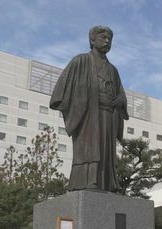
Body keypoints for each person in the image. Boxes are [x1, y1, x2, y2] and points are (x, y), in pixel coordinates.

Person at [50, 26, 129, 191]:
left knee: (107, 150)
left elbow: (120, 92)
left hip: (109, 114)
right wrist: (81, 98)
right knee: (90, 148)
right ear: (92, 40)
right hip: (88, 113)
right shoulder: (81, 61)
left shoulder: (113, 70)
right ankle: (88, 181)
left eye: (110, 39)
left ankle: (108, 182)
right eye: (103, 37)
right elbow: (62, 89)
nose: (107, 41)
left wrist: (121, 100)